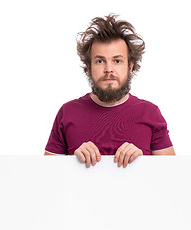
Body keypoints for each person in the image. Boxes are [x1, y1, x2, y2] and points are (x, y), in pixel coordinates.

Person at [44, 14, 175, 167]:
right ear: (89, 67)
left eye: (117, 61)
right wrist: (72, 162)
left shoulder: (150, 113)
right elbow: (45, 178)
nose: (109, 69)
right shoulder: (67, 113)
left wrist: (144, 163)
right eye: (100, 61)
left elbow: (174, 178)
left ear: (130, 66)